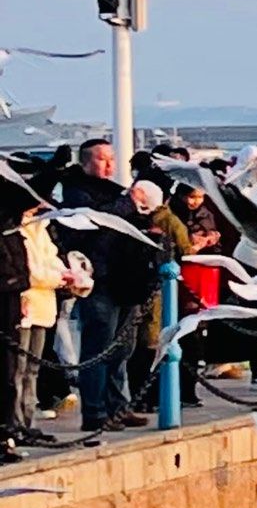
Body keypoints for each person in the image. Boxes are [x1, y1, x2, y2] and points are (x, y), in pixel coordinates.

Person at [52, 142, 158, 432]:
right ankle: (95, 412)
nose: (109, 165)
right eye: (102, 159)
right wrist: (129, 202)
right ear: (86, 162)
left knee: (122, 349)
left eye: (112, 159)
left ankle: (118, 406)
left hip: (126, 278)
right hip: (100, 280)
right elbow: (97, 222)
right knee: (98, 347)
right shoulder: (76, 192)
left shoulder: (115, 191)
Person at [0, 181, 73, 459]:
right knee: (15, 370)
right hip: (25, 304)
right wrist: (59, 278)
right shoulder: (15, 228)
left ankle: (27, 422)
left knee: (32, 369)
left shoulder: (42, 227)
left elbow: (51, 260)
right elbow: (31, 269)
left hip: (43, 305)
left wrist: (68, 274)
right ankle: (14, 423)